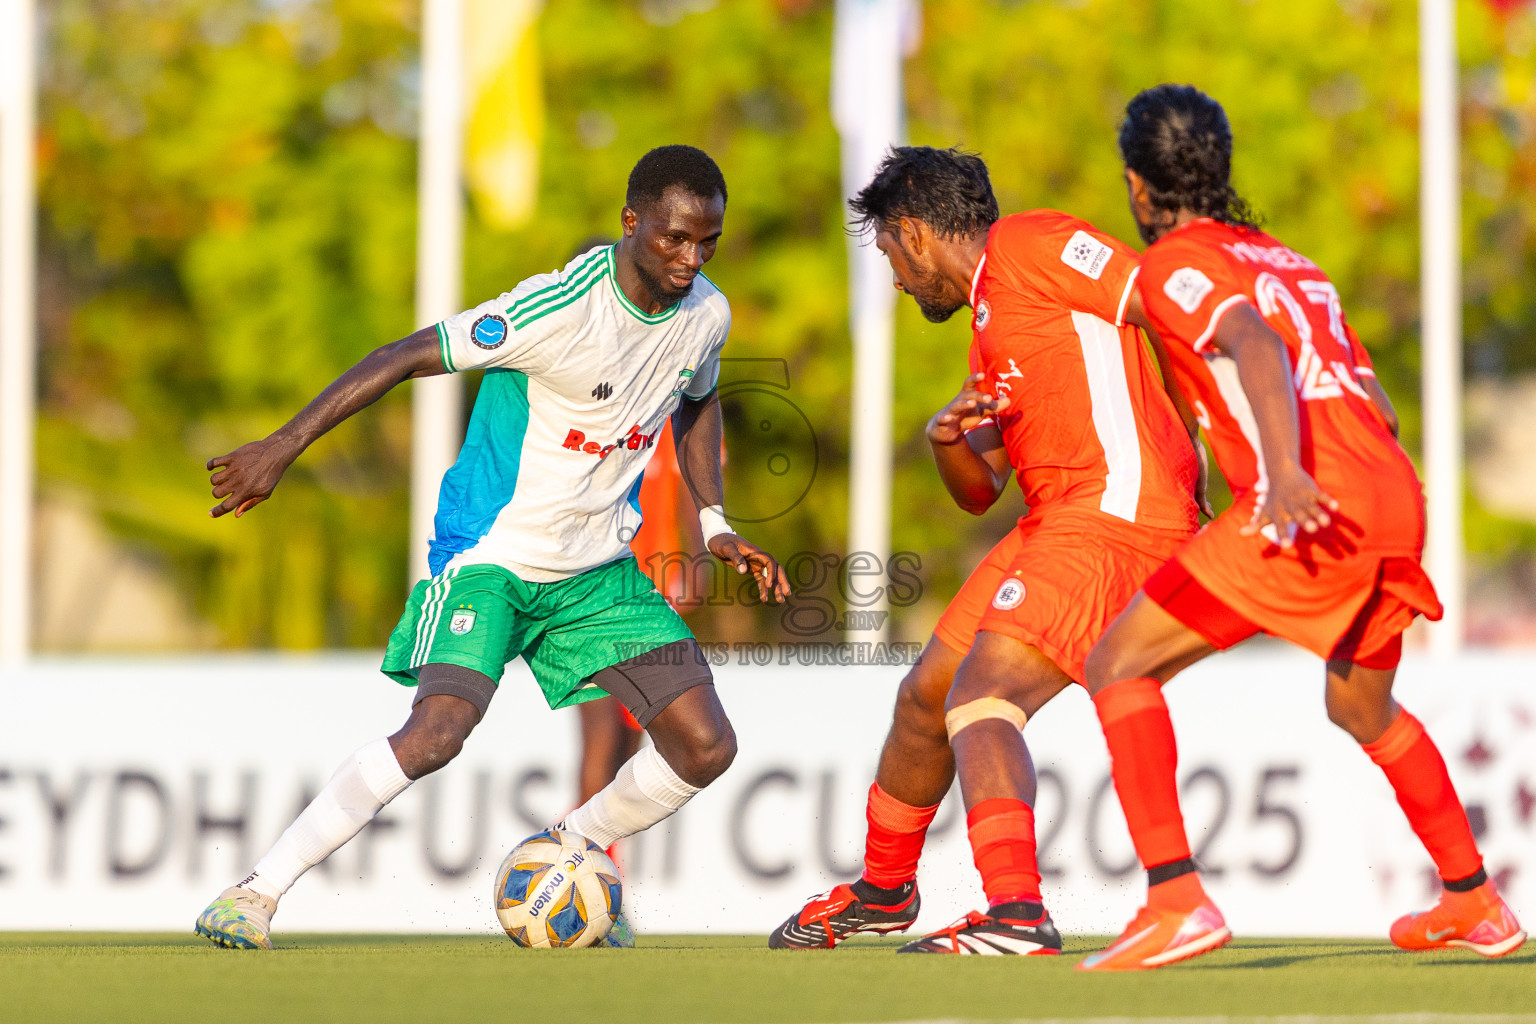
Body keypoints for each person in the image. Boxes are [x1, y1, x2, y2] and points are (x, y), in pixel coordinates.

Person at [193, 145, 790, 950]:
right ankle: (255, 892)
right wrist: (282, 446)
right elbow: (403, 356)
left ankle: (567, 851)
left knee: (707, 746)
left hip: (596, 575)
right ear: (632, 221)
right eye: (676, 239)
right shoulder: (557, 309)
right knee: (437, 733)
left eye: (708, 241)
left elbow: (700, 399)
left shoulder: (706, 314)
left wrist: (715, 522)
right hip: (495, 559)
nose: (692, 259)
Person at [1078, 84, 1526, 971]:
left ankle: (1175, 899)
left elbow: (1253, 344)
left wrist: (1283, 474)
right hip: (1394, 494)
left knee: (1115, 662)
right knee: (1359, 702)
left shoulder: (1176, 263)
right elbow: (1378, 405)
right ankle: (1475, 899)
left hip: (1311, 499)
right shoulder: (1288, 258)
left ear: (1139, 186)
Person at [770, 146, 1204, 954]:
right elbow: (981, 492)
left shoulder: (1034, 244)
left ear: (915, 235)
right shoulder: (987, 325)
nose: (897, 280)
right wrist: (946, 442)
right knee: (926, 696)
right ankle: (884, 890)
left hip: (1117, 510)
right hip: (1055, 518)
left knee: (983, 696)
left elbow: (1166, 305)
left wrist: (1204, 453)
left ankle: (1015, 914)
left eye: (892, 258)